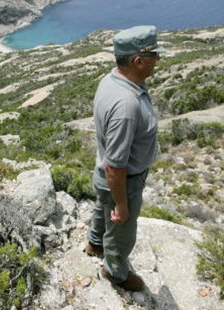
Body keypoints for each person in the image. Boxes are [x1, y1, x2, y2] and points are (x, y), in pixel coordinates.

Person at [85, 25, 165, 292]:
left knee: (101, 207)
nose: (158, 60)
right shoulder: (126, 105)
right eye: (155, 55)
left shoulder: (112, 79)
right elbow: (116, 167)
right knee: (122, 231)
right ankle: (115, 272)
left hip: (105, 176)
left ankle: (94, 243)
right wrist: (122, 205)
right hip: (123, 181)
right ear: (138, 61)